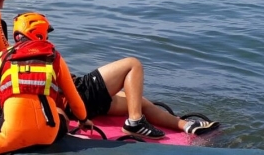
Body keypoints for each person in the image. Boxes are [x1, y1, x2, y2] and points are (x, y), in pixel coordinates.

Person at [0, 12, 90, 155]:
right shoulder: (55, 57)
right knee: (61, 119)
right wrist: (84, 120)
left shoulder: (0, 57)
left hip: (13, 134)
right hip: (48, 135)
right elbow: (74, 99)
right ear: (41, 34)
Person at [71, 57, 220, 138]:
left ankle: (186, 125)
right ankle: (135, 123)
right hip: (79, 96)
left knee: (135, 102)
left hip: (78, 105)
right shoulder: (49, 54)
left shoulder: (47, 60)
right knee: (132, 64)